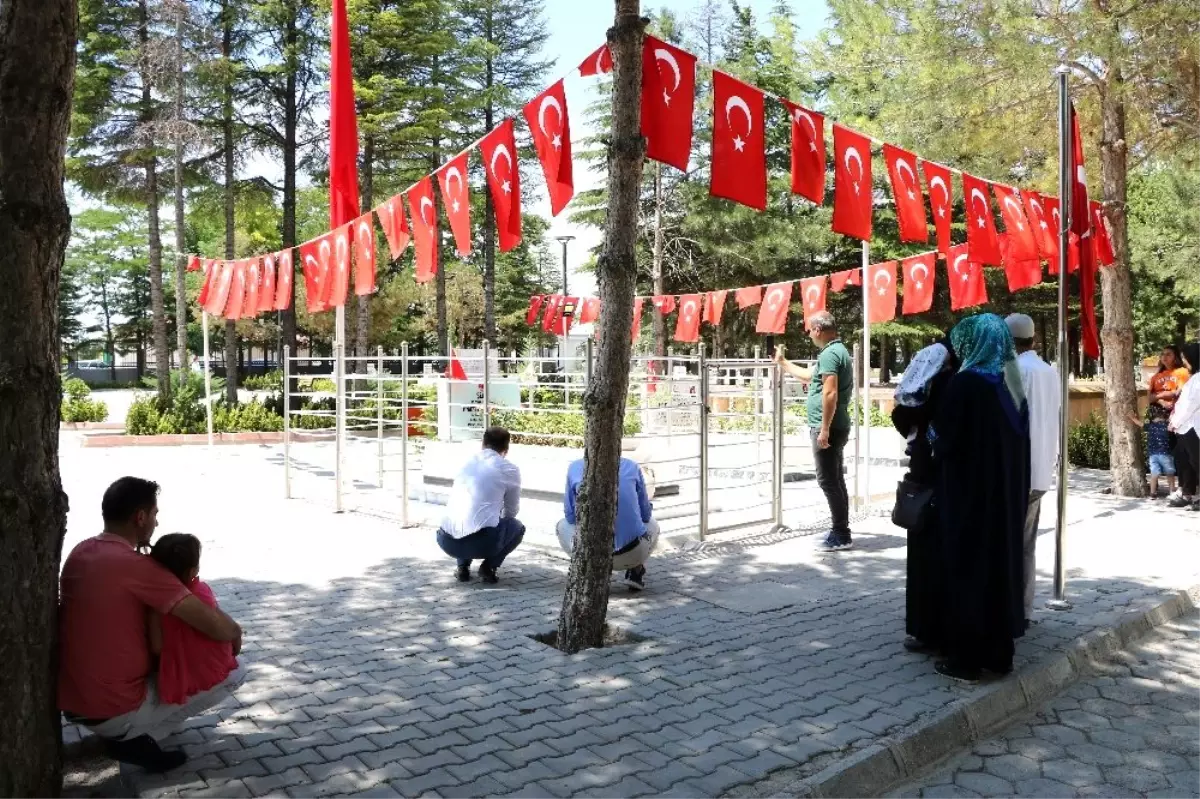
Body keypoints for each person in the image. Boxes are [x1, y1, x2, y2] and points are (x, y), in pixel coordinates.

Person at [59, 478, 244, 773]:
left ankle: (131, 732)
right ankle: (132, 738)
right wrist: (235, 632)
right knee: (235, 671)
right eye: (155, 515)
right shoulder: (137, 566)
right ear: (140, 517)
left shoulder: (80, 552)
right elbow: (214, 626)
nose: (157, 523)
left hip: (72, 701)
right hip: (112, 706)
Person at [929, 314, 1029, 682]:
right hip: (1003, 499)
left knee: (968, 572)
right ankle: (999, 655)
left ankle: (966, 660)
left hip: (970, 499)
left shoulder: (966, 384)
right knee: (998, 572)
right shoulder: (1009, 383)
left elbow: (942, 439)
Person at [891, 336, 959, 654]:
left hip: (927, 480)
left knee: (925, 562)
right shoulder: (960, 381)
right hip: (945, 483)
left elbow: (903, 418)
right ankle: (937, 629)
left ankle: (925, 630)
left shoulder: (933, 388)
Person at [775, 310, 855, 551]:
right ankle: (841, 530)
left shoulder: (831, 354)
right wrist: (783, 363)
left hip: (828, 426)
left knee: (828, 481)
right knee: (835, 480)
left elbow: (830, 392)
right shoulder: (834, 351)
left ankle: (841, 534)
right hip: (833, 424)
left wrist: (824, 429)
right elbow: (811, 376)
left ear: (818, 329)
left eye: (810, 330)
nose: (809, 334)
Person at [1006, 313, 1061, 625]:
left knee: (1009, 545)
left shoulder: (1015, 370)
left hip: (1018, 472)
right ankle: (1024, 610)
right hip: (1040, 471)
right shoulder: (1048, 371)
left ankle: (1008, 609)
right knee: (1027, 546)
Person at [147, 534, 239, 705]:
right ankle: (159, 728)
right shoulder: (202, 591)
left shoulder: (154, 605)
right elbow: (220, 621)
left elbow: (157, 647)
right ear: (192, 571)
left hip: (176, 677)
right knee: (239, 671)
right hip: (210, 671)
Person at [557, 455, 660, 591]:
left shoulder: (574, 467)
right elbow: (646, 514)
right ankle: (636, 571)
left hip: (591, 554)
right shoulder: (632, 467)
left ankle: (585, 570)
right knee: (653, 525)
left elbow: (570, 517)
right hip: (631, 552)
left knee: (561, 525)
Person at [437, 427, 525, 583]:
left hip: (445, 540)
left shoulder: (467, 462)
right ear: (506, 448)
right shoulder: (509, 469)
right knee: (517, 527)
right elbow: (511, 511)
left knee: (465, 517)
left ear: (482, 443)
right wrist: (497, 518)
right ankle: (488, 567)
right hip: (482, 543)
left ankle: (462, 568)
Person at [1168, 344, 1200, 511]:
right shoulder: (1194, 378)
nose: (1184, 361)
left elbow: (1191, 405)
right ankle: (1186, 493)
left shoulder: (1199, 379)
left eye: (1185, 357)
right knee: (1184, 461)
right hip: (1184, 427)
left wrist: (1175, 421)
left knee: (1197, 461)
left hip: (1192, 427)